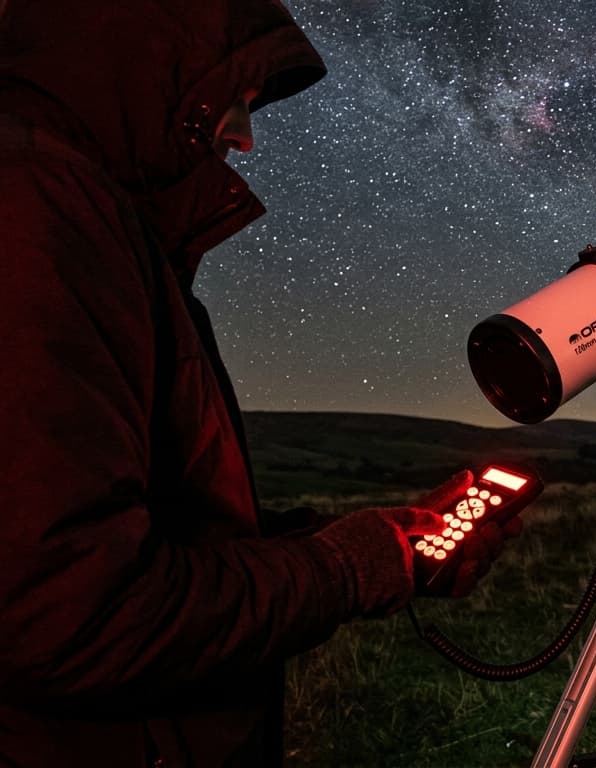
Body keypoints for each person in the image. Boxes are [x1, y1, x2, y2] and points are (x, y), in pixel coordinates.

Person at [0, 1, 514, 764]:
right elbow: (71, 612)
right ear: (147, 64)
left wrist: (362, 544)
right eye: (236, 98)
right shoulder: (37, 207)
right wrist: (342, 569)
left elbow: (139, 524)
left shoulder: (86, 214)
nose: (244, 135)